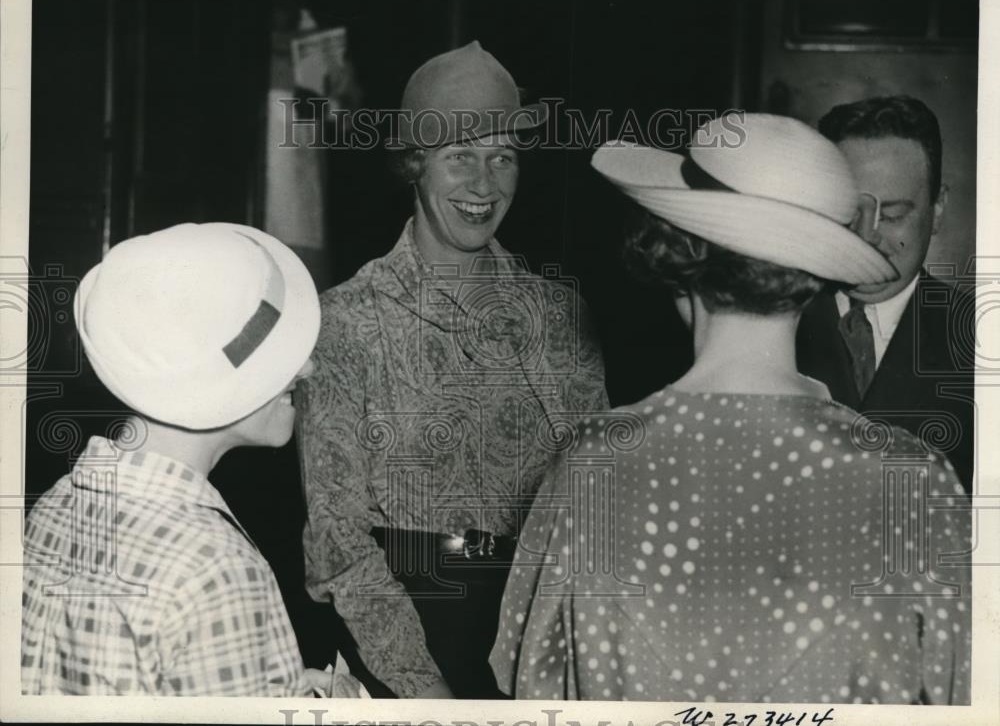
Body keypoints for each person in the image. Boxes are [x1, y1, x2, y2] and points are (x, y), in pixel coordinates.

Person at [490, 114, 971, 703]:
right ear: (815, 274)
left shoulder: (593, 466)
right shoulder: (914, 478)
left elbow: (531, 684)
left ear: (679, 263)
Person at [297, 41, 609, 699]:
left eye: (503, 156)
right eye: (460, 155)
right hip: (398, 638)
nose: (485, 184)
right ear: (415, 162)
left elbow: (594, 508)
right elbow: (337, 537)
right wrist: (425, 691)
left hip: (539, 637)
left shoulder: (559, 317)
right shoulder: (347, 321)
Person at [20, 222, 344, 696]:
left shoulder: (54, 505)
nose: (308, 366)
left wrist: (268, 688)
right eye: (275, 351)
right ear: (216, 384)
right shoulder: (217, 568)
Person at [797, 95, 974, 494]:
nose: (867, 237)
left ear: (939, 210)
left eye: (893, 215)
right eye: (848, 212)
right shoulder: (769, 321)